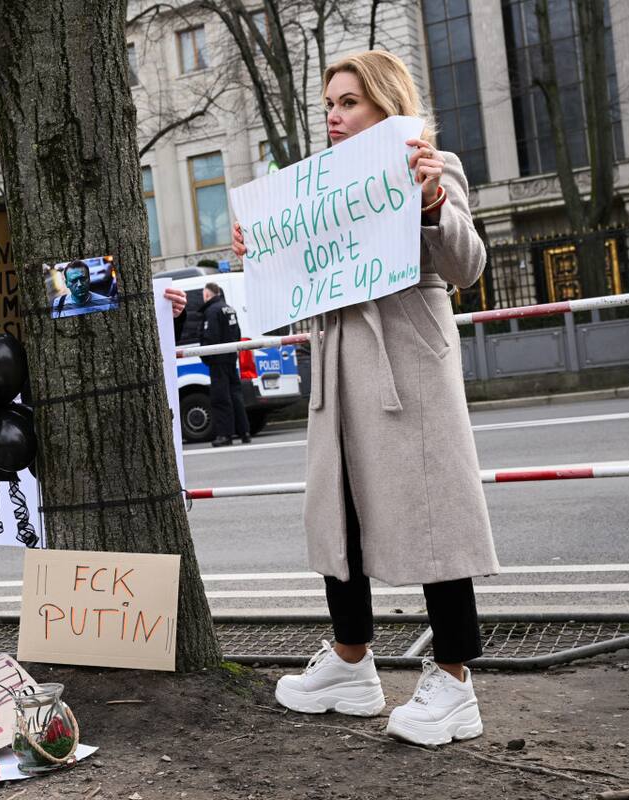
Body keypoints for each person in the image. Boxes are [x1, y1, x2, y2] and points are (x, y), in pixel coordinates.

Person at [232, 50, 498, 747]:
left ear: (385, 105)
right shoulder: (315, 190)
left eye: (348, 101)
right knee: (339, 515)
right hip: (340, 366)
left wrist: (434, 197)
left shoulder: (433, 167)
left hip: (408, 364)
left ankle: (454, 682)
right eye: (329, 104)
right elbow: (294, 277)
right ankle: (351, 663)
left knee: (434, 515)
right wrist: (257, 249)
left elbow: (467, 266)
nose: (334, 116)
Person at [199, 282, 251, 447]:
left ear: (208, 295)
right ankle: (244, 431)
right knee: (235, 395)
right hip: (230, 358)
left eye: (203, 295)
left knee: (221, 398)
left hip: (218, 360)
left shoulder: (212, 311)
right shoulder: (229, 308)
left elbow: (210, 337)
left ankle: (225, 435)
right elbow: (238, 333)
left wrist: (206, 357)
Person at [51, 260, 117, 318]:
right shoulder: (59, 303)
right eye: (74, 281)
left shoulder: (107, 305)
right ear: (66, 284)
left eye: (83, 279)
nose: (79, 284)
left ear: (89, 279)